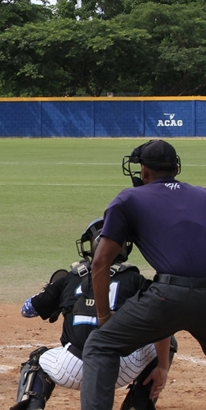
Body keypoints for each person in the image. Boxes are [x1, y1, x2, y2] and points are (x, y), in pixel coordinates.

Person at [81, 139, 206, 410]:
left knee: (101, 345)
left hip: (168, 297)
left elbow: (100, 263)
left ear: (144, 171)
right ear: (176, 168)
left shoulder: (129, 198)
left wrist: (104, 318)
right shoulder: (204, 194)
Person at [12, 218, 176, 410]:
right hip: (121, 369)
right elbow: (162, 318)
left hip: (72, 369)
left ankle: (31, 406)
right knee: (167, 339)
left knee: (37, 361)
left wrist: (55, 292)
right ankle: (138, 405)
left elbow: (27, 310)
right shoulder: (135, 279)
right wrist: (162, 366)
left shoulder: (71, 278)